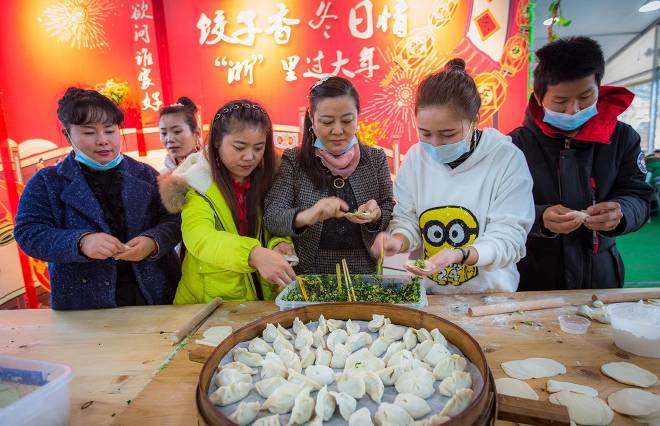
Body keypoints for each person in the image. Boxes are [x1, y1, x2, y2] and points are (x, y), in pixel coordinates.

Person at [371, 59, 534, 293]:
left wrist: (461, 254)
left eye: (448, 134)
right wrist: (399, 240)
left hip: (487, 298)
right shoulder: (416, 159)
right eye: (425, 133)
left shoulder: (506, 159)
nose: (435, 144)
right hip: (430, 296)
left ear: (474, 121)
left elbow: (509, 238)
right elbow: (407, 219)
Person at [14, 87, 181, 310]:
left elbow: (174, 221)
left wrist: (153, 242)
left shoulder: (145, 174)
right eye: (89, 133)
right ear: (67, 134)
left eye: (110, 131)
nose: (102, 141)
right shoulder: (47, 181)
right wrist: (81, 243)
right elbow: (28, 233)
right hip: (84, 304)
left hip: (155, 295)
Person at [509, 37, 653, 290]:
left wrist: (622, 212)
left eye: (585, 97)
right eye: (561, 101)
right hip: (534, 274)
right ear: (540, 97)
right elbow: (500, 207)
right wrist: (540, 217)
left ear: (598, 87)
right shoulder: (516, 145)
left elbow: (640, 197)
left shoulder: (623, 138)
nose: (573, 110)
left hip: (600, 273)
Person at [159, 100, 296, 303]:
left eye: (259, 148)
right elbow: (200, 238)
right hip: (209, 304)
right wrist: (253, 254)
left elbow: (271, 227)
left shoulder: (268, 179)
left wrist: (279, 244)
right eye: (239, 147)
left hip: (259, 301)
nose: (249, 157)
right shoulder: (198, 184)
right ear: (216, 142)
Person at [264, 76, 394, 274]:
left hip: (365, 273)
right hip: (309, 273)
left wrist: (376, 216)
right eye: (327, 122)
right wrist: (309, 215)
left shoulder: (375, 159)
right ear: (312, 119)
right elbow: (272, 217)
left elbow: (389, 211)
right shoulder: (294, 160)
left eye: (347, 120)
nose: (338, 130)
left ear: (358, 116)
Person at [159, 97, 202, 173]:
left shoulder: (211, 167)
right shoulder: (161, 176)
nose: (169, 139)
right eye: (164, 133)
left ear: (196, 133)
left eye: (177, 131)